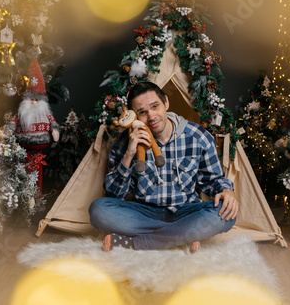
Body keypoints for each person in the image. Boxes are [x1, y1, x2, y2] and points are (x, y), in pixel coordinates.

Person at [89, 81, 238, 252]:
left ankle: (137, 243)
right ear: (134, 116)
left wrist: (227, 191)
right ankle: (182, 236)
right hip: (143, 213)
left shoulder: (198, 136)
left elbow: (213, 180)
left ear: (166, 102)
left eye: (155, 106)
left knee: (226, 214)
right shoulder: (124, 143)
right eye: (142, 112)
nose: (151, 116)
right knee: (98, 210)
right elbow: (114, 194)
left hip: (186, 211)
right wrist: (129, 154)